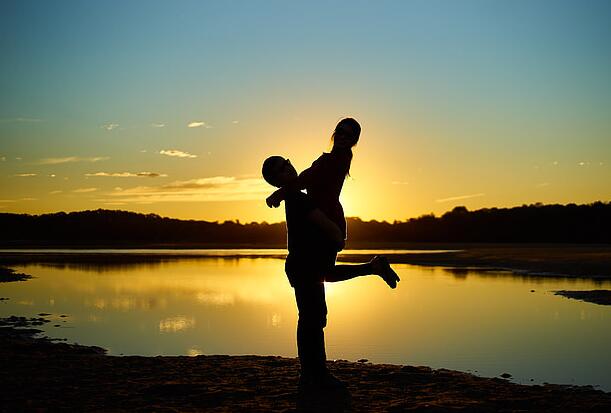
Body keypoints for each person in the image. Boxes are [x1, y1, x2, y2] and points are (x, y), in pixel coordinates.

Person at [262, 155, 400, 391]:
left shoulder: (296, 195)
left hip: (306, 264)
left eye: (287, 162)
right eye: (282, 168)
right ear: (276, 180)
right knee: (311, 320)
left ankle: (313, 374)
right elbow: (324, 224)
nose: (289, 166)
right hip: (302, 265)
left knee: (314, 317)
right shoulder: (298, 200)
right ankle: (314, 375)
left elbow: (313, 177)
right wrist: (338, 238)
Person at [266, 118, 361, 241]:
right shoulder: (332, 159)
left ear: (354, 140)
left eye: (348, 135)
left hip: (328, 220)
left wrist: (279, 194)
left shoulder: (333, 161)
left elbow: (304, 180)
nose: (342, 137)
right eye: (340, 131)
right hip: (325, 219)